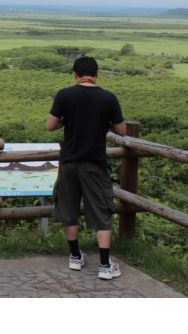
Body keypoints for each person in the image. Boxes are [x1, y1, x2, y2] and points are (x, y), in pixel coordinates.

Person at [46, 56, 127, 280]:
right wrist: (106, 122)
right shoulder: (108, 98)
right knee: (102, 211)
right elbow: (122, 131)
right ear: (96, 75)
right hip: (94, 163)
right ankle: (104, 265)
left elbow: (50, 126)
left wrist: (66, 119)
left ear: (75, 74)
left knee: (69, 210)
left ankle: (74, 257)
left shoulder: (65, 95)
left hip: (69, 162)